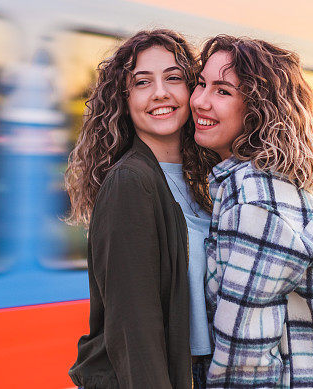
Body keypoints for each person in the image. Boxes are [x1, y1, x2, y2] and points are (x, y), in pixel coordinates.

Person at [190, 35, 313, 388]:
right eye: (201, 84)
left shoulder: (256, 203)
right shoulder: (266, 185)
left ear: (259, 110)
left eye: (223, 91)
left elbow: (242, 359)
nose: (199, 101)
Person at [66, 29, 218, 389]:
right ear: (125, 99)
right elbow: (135, 329)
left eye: (173, 78)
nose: (160, 93)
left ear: (191, 91)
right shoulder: (130, 183)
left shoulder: (201, 181)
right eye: (142, 82)